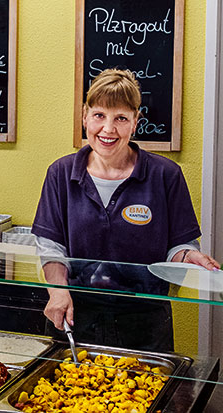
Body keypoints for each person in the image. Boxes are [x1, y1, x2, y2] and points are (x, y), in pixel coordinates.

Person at [32, 68, 220, 351]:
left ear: (135, 123)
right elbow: (50, 246)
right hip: (75, 317)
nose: (108, 129)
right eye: (99, 116)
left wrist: (187, 255)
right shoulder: (61, 173)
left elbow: (177, 246)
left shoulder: (165, 175)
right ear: (84, 116)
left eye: (120, 118)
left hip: (145, 322)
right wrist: (58, 292)